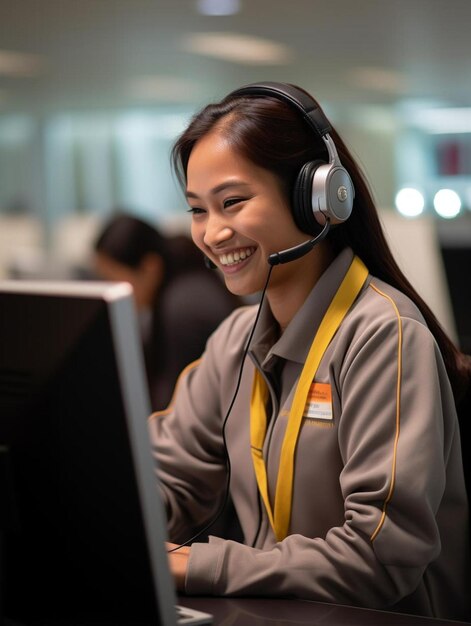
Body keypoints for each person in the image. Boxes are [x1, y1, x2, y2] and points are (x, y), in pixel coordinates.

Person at [149, 82, 471, 620]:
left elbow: (379, 555)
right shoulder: (234, 343)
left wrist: (198, 564)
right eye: (197, 210)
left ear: (317, 196)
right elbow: (172, 480)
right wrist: (114, 520)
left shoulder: (382, 334)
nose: (212, 232)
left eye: (232, 202)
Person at [93, 213, 242, 410]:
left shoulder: (183, 309)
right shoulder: (182, 288)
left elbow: (172, 408)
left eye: (111, 278)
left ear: (149, 268)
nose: (107, 290)